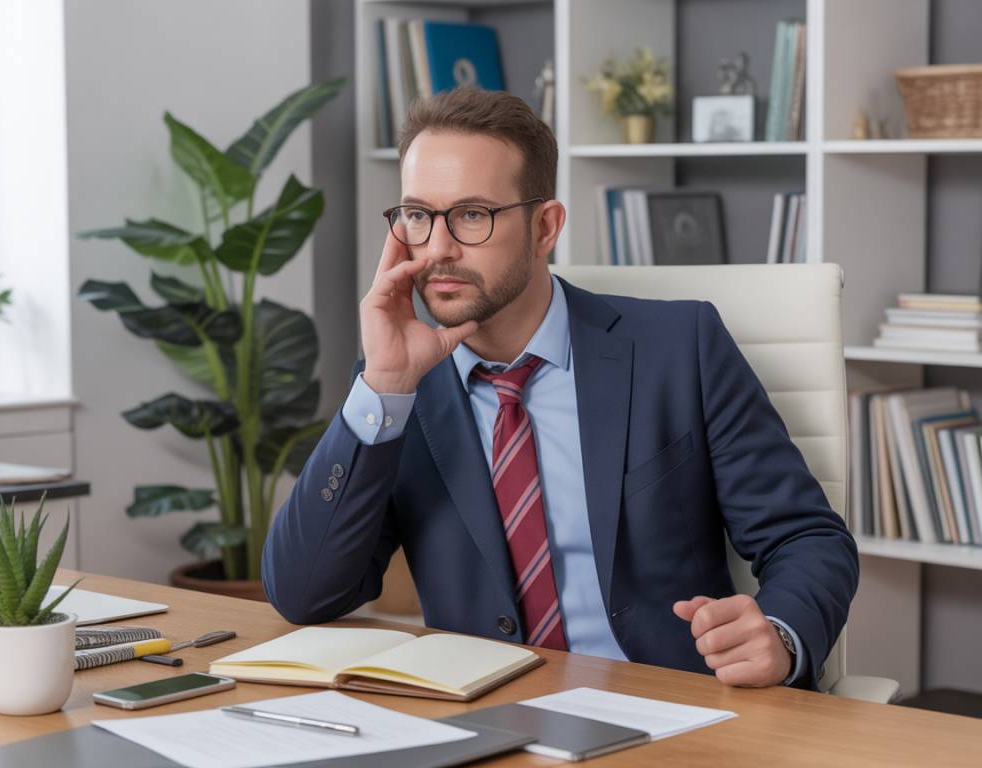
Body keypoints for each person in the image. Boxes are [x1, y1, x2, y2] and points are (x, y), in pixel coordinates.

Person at [263, 88, 858, 690]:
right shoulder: (397, 390)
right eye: (418, 215)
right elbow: (305, 593)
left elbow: (805, 537)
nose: (437, 248)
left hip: (668, 710)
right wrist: (385, 386)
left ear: (544, 226)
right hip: (484, 716)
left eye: (472, 215)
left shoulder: (680, 348)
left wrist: (780, 635)